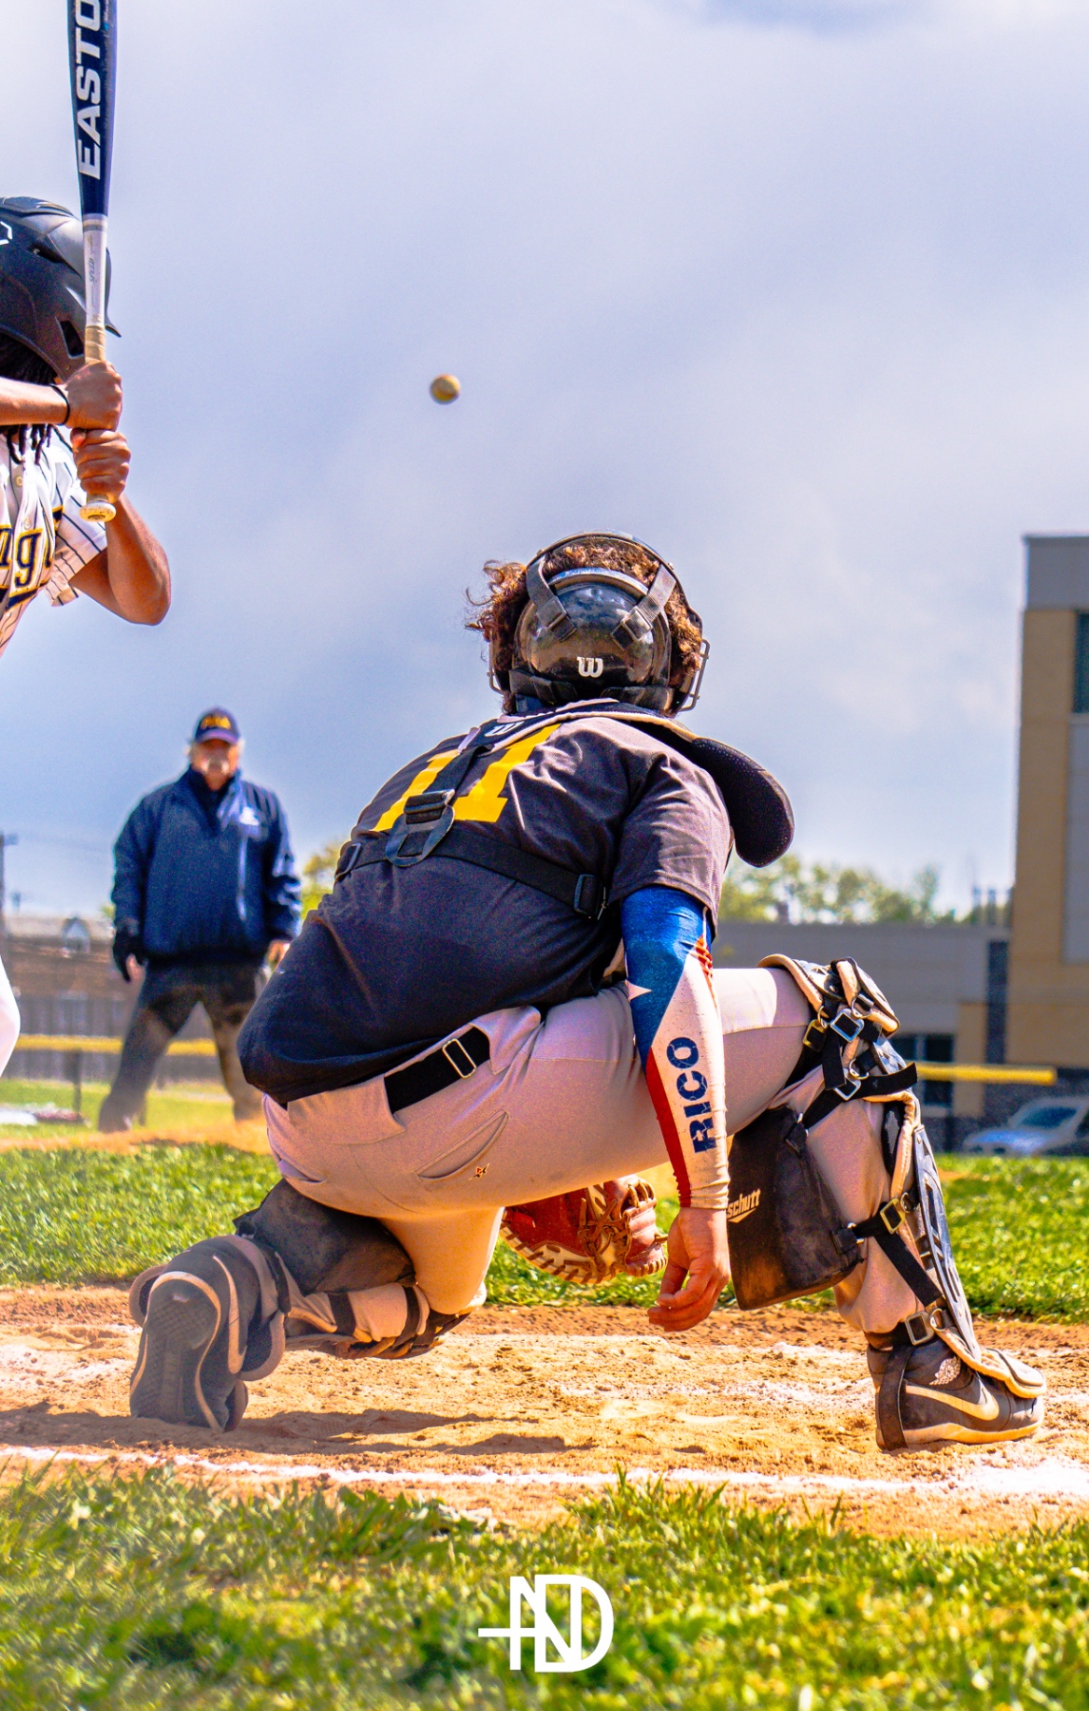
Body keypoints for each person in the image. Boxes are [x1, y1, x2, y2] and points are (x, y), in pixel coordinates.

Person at [127, 535, 1043, 1455]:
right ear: (673, 667)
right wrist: (701, 1196)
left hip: (307, 1126)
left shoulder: (437, 769)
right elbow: (663, 963)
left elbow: (451, 959)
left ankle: (246, 1289)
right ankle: (931, 1364)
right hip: (469, 1099)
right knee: (836, 1017)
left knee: (437, 1298)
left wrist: (561, 1148)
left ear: (508, 659)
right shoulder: (657, 760)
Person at [0, 196, 170, 1080]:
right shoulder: (39, 419)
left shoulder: (43, 456)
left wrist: (111, 479)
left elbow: (144, 599)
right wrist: (67, 405)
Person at [98, 709, 300, 1131]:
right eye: (208, 746)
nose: (215, 755)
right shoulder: (158, 807)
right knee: (140, 1052)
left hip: (239, 962)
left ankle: (253, 1138)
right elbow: (129, 864)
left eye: (224, 747)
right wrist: (128, 925)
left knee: (247, 1059)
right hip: (173, 959)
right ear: (192, 751)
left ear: (237, 753)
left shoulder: (262, 807)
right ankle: (114, 1130)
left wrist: (284, 929)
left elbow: (281, 872)